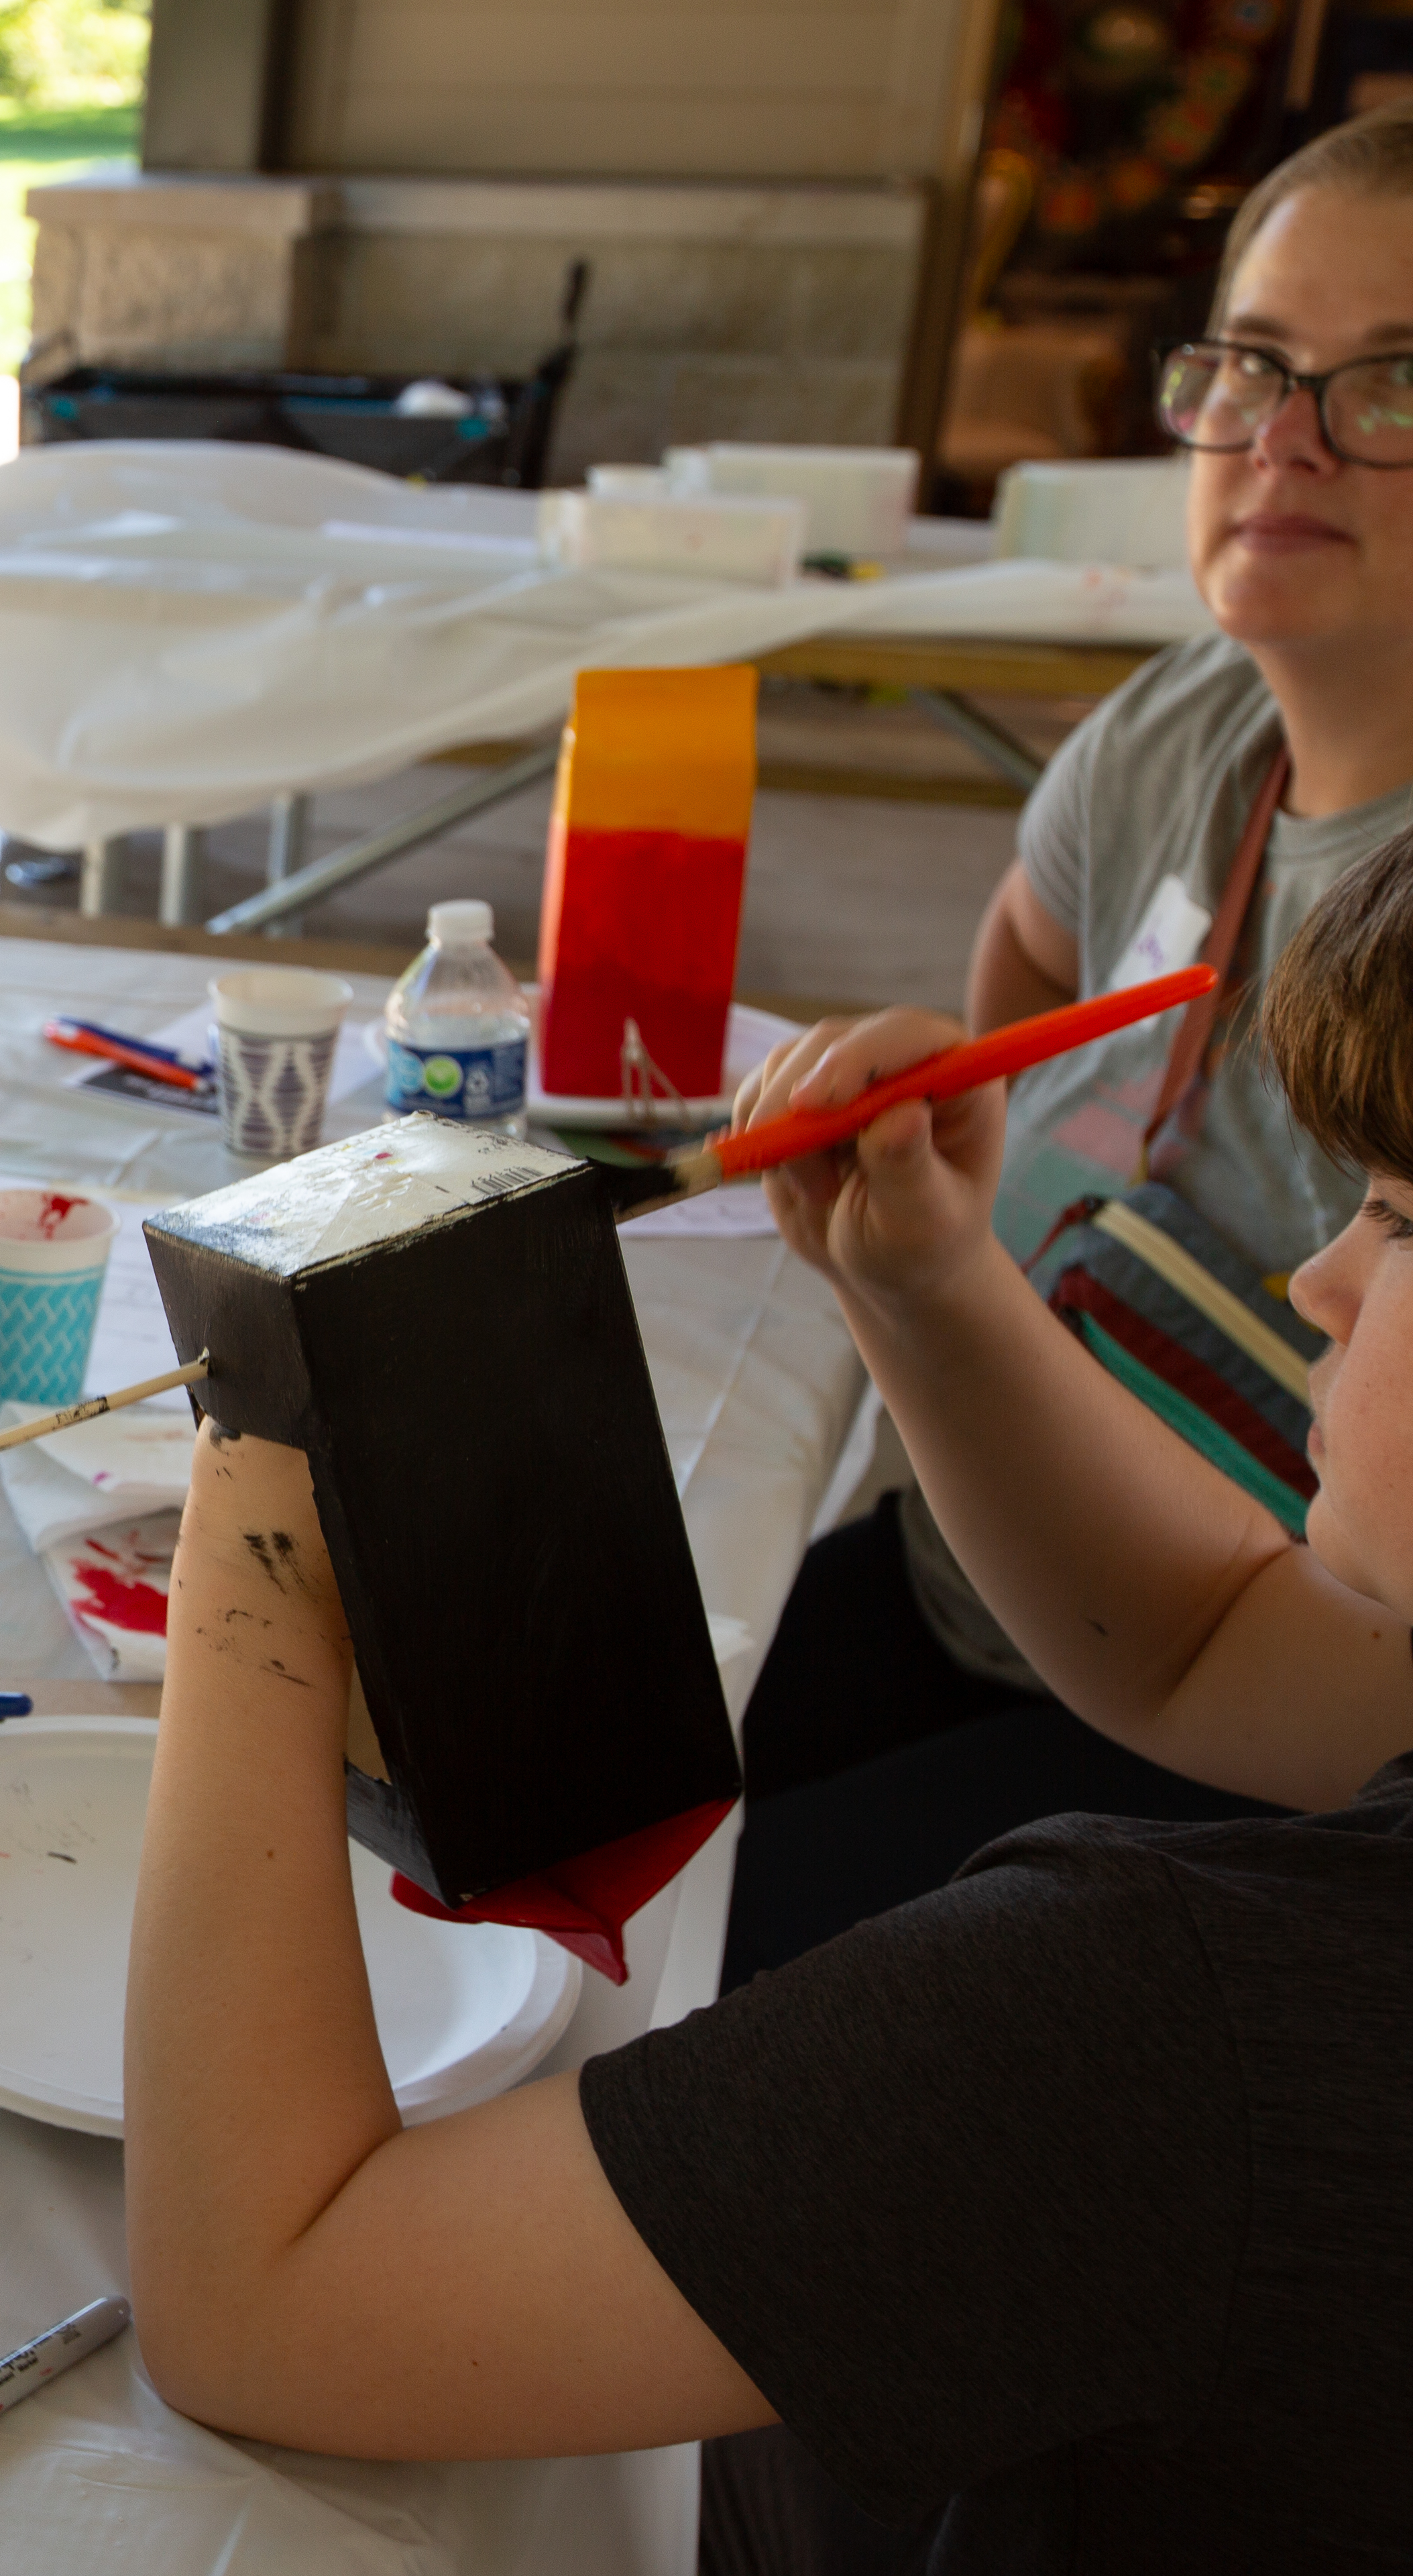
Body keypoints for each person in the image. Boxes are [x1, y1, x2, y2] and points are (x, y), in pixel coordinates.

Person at [125, 841, 1413, 2567]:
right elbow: (1213, 1642)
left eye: (1399, 1218)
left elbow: (259, 2306)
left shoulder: (1160, 2026)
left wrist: (255, 1537)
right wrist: (926, 1281)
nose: (1317, 1279)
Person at [726, 107, 1413, 1983]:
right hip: (993, 1570)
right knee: (550, 1820)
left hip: (1285, 1740)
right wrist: (979, 1153)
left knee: (690, 1975)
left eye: (1393, 385)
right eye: (1256, 367)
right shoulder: (1193, 720)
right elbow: (1027, 939)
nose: (1284, 439)